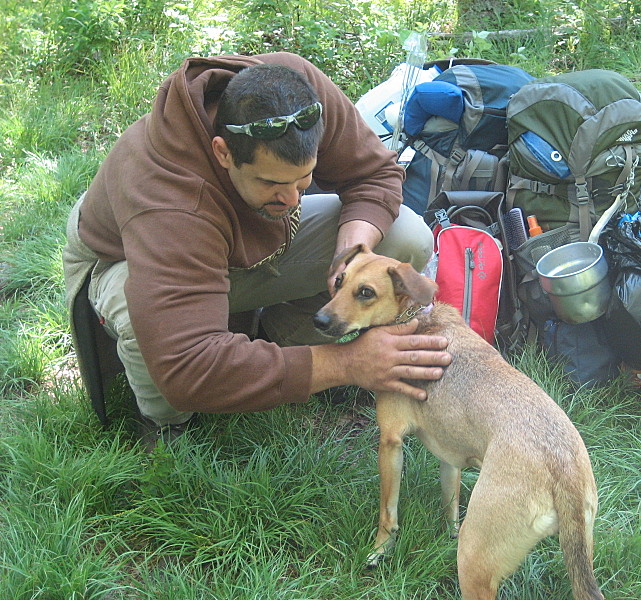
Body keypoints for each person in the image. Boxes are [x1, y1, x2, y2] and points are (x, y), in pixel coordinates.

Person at [63, 52, 452, 448]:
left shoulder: (297, 92)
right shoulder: (167, 198)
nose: (291, 199)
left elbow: (373, 172)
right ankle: (165, 426)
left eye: (304, 180)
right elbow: (186, 366)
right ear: (223, 152)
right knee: (148, 319)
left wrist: (353, 252)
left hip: (248, 239)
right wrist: (348, 363)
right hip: (129, 257)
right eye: (271, 183)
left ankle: (272, 345)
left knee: (402, 233)